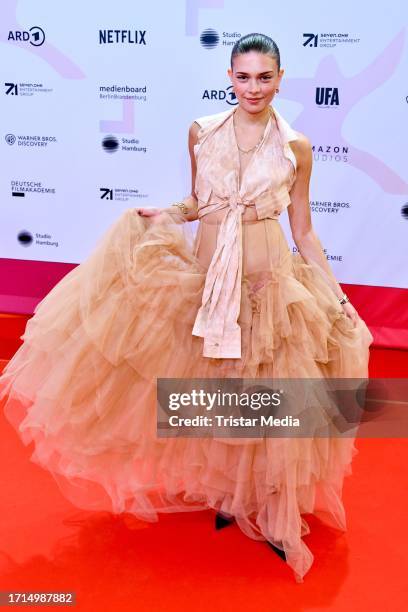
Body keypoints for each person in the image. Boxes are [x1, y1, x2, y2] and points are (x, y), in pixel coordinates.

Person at [0, 33, 373, 583]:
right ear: (229, 76)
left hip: (270, 283)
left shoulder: (296, 147)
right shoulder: (202, 131)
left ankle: (268, 505)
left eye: (265, 77)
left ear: (281, 78)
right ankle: (230, 490)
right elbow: (200, 201)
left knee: (269, 391)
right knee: (216, 384)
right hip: (209, 280)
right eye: (244, 76)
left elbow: (303, 230)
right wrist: (168, 213)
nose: (254, 87)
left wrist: (338, 296)